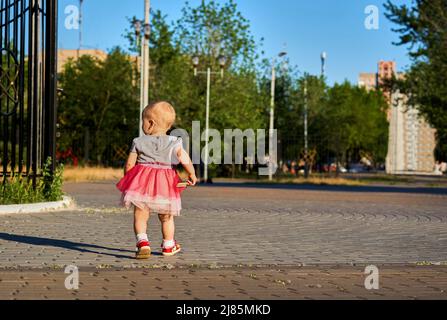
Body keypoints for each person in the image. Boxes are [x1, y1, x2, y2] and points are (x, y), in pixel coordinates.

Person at [116, 101, 197, 259]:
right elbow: (183, 158)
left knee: (140, 213)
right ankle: (168, 245)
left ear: (151, 123)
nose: (142, 124)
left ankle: (143, 242)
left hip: (142, 182)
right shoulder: (174, 142)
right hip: (165, 183)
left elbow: (129, 164)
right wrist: (191, 173)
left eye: (143, 121)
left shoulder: (138, 142)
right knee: (166, 215)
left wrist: (129, 179)